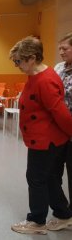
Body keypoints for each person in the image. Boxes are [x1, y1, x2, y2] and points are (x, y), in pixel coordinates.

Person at [9, 36, 72, 235]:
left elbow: (60, 113)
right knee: (51, 178)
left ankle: (37, 221)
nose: (17, 65)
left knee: (36, 178)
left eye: (19, 61)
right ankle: (63, 214)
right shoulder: (37, 76)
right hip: (45, 139)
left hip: (46, 141)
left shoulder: (45, 80)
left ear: (32, 58)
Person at [54, 32, 72, 210]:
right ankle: (61, 208)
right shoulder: (59, 68)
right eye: (59, 48)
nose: (61, 52)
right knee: (53, 172)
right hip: (58, 130)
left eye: (65, 48)